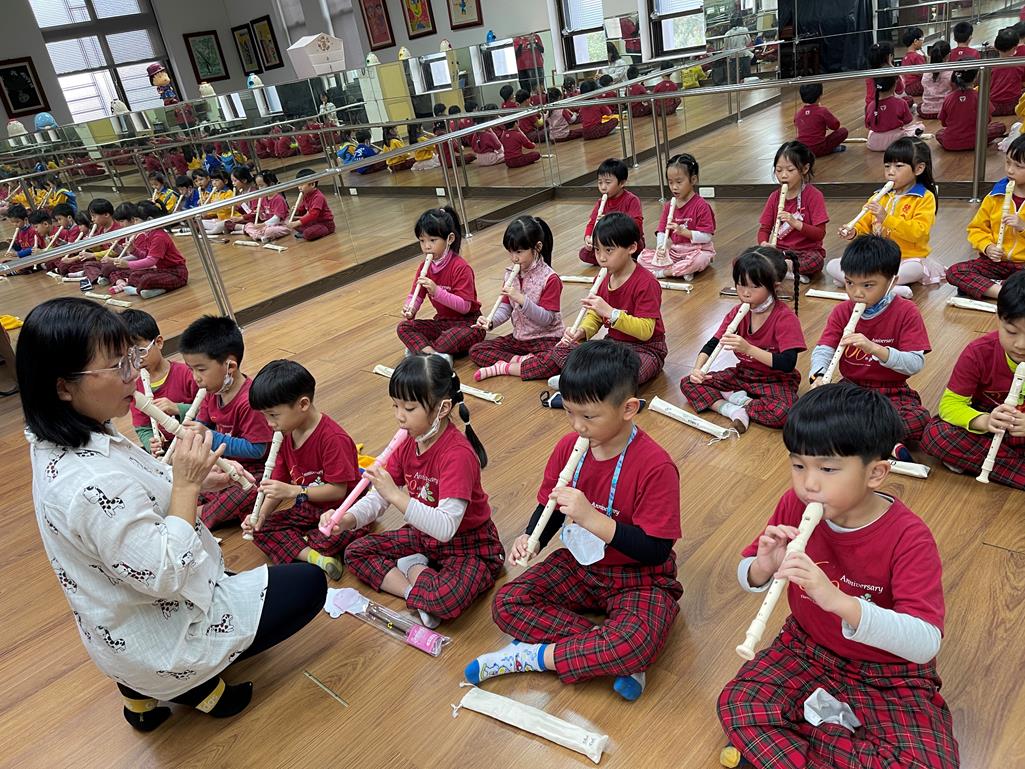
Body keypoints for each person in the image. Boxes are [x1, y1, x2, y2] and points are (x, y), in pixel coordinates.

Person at [21, 297, 326, 731]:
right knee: (310, 584)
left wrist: (197, 482)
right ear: (63, 387)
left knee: (244, 570)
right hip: (160, 632)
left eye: (132, 358)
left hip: (118, 626)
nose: (134, 374)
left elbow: (133, 490)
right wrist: (184, 485)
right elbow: (164, 573)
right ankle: (191, 686)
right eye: (118, 365)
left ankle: (136, 692)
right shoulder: (86, 483)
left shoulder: (65, 433)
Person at [717, 383, 959, 769]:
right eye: (798, 465)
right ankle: (841, 737)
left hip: (887, 670)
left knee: (928, 763)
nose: (809, 483)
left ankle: (811, 730)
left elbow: (924, 643)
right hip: (806, 646)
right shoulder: (795, 504)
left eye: (828, 469)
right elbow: (749, 572)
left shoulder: (909, 537)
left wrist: (839, 601)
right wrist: (764, 566)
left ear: (876, 473)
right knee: (738, 703)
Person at [465, 340, 682, 702]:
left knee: (635, 638)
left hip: (641, 578)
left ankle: (535, 656)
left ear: (628, 409)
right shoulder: (569, 447)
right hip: (582, 566)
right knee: (508, 602)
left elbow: (656, 551)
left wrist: (591, 518)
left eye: (589, 417)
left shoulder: (656, 466)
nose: (578, 426)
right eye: (569, 412)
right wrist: (532, 536)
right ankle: (611, 653)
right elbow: (551, 507)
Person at [331, 354, 504, 628]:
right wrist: (347, 519)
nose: (399, 417)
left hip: (468, 545)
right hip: (424, 535)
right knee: (355, 551)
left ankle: (413, 568)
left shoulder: (457, 455)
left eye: (409, 408)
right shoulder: (408, 442)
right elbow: (378, 498)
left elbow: (445, 528)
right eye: (395, 405)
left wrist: (395, 494)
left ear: (443, 408)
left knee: (445, 600)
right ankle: (415, 590)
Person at [245, 360, 364, 580]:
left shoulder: (333, 439)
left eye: (273, 415)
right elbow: (277, 485)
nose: (269, 423)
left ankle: (305, 546)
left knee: (328, 537)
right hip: (308, 507)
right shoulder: (284, 433)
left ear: (303, 404)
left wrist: (295, 491)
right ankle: (317, 558)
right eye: (264, 416)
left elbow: (338, 491)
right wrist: (260, 515)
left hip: (341, 511)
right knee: (261, 529)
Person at [810, 236, 931, 451]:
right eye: (850, 283)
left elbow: (914, 364)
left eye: (868, 285)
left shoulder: (907, 312)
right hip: (851, 388)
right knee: (813, 409)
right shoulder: (842, 311)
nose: (857, 293)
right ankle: (881, 440)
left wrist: (874, 348)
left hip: (892, 391)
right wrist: (818, 376)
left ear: (892, 282)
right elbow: (824, 349)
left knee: (918, 419)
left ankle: (852, 436)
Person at [541, 213, 666, 398]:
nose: (601, 257)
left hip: (646, 349)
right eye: (597, 250)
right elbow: (595, 315)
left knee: (630, 372)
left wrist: (611, 313)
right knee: (561, 349)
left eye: (609, 250)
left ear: (631, 248)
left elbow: (646, 331)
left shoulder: (646, 283)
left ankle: (579, 381)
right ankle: (593, 383)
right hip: (613, 346)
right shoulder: (602, 279)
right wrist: (582, 332)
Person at [681, 246, 803, 432]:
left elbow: (787, 363)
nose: (746, 293)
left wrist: (748, 349)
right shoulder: (736, 313)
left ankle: (737, 399)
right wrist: (698, 370)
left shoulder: (785, 318)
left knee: (784, 412)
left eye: (755, 287)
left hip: (775, 379)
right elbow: (712, 344)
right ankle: (733, 409)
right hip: (744, 374)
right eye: (741, 284)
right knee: (689, 382)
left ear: (775, 286)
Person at [921, 271, 1025, 488]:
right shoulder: (979, 352)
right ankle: (1013, 469)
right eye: (1011, 331)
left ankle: (989, 464)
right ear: (998, 318)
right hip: (990, 423)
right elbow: (950, 406)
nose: (1021, 345)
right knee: (937, 435)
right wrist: (985, 421)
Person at [180, 315, 273, 529]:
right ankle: (194, 502)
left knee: (251, 490)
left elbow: (257, 449)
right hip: (225, 462)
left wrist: (208, 436)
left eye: (201, 369)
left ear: (230, 366)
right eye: (191, 369)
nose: (195, 377)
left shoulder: (250, 401)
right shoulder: (212, 391)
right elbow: (204, 423)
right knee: (191, 477)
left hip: (255, 467)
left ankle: (202, 514)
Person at [834, 137, 941, 297]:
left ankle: (857, 282)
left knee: (915, 270)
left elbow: (919, 232)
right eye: (887, 166)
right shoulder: (878, 196)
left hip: (907, 258)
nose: (891, 171)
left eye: (898, 166)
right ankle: (887, 287)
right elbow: (864, 225)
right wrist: (853, 232)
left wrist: (886, 218)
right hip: (877, 258)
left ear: (918, 169)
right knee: (833, 265)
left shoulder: (924, 198)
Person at [469, 216, 563, 382]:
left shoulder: (550, 278)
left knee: (556, 360)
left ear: (537, 247)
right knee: (476, 350)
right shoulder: (510, 274)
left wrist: (521, 299)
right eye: (510, 252)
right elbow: (506, 308)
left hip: (546, 338)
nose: (514, 258)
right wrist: (491, 322)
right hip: (520, 339)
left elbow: (547, 319)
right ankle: (524, 362)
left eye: (519, 252)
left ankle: (504, 367)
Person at [396, 206, 484, 361]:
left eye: (432, 240)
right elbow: (416, 296)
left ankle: (424, 350)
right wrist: (411, 308)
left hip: (468, 323)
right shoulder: (424, 267)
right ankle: (434, 354)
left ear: (449, 239)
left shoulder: (461, 267)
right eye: (422, 241)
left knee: (453, 337)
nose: (426, 246)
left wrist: (437, 291)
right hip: (442, 322)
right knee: (404, 327)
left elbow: (464, 306)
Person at [948, 135, 1025, 299]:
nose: (1010, 170)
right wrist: (988, 247)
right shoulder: (995, 196)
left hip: (1023, 267)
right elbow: (976, 229)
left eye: (1019, 166)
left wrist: (1023, 227)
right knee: (955, 271)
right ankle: (1006, 293)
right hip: (995, 263)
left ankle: (993, 288)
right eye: (1008, 162)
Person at [121, 308, 200, 454]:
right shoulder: (134, 388)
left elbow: (210, 412)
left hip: (198, 442)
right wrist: (151, 443)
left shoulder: (187, 374)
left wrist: (178, 408)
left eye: (141, 351)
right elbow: (143, 428)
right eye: (129, 355)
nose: (137, 360)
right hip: (170, 449)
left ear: (158, 342)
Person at [756, 141, 829, 281]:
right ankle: (786, 269)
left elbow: (820, 234)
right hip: (779, 252)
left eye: (790, 170)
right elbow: (764, 229)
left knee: (816, 261)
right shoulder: (774, 197)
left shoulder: (814, 195)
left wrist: (795, 223)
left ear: (805, 168)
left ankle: (781, 269)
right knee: (743, 260)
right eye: (778, 170)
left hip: (805, 252)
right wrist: (764, 244)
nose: (783, 175)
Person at [637, 153, 715, 280]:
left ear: (693, 179)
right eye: (670, 182)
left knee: (699, 260)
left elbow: (707, 237)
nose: (674, 187)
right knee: (642, 258)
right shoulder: (669, 206)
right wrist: (661, 248)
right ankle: (681, 269)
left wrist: (684, 232)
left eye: (679, 182)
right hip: (675, 252)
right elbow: (662, 231)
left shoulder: (702, 206)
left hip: (697, 250)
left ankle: (664, 273)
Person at [579, 158, 644, 264]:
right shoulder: (600, 203)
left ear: (622, 183)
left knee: (638, 246)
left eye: (608, 182)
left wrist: (609, 221)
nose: (603, 187)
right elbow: (592, 223)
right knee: (584, 253)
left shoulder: (632, 200)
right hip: (607, 243)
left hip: (625, 241)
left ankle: (614, 259)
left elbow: (637, 226)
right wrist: (588, 237)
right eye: (600, 183)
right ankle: (614, 259)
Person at [936, 69, 1006, 151]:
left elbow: (944, 123)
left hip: (951, 143)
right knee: (1000, 126)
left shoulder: (948, 98)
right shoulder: (980, 96)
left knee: (939, 133)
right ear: (975, 78)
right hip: (976, 141)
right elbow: (987, 120)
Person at [866, 76, 924, 152]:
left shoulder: (870, 105)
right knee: (920, 126)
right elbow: (908, 121)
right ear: (894, 86)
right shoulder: (901, 102)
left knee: (871, 132)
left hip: (874, 144)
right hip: (897, 142)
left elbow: (868, 125)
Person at [794, 83, 848, 157]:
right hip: (819, 148)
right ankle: (830, 149)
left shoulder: (798, 113)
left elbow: (799, 125)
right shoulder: (822, 111)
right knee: (843, 131)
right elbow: (836, 126)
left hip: (803, 151)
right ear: (820, 96)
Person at [286, 168, 335, 242]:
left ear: (312, 184)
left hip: (325, 224)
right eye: (298, 184)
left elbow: (313, 214)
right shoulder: (306, 195)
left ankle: (308, 232)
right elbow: (303, 209)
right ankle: (309, 231)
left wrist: (297, 223)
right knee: (291, 220)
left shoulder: (318, 197)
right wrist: (297, 210)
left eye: (302, 184)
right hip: (313, 222)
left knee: (307, 233)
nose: (299, 187)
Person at [243, 169, 291, 242]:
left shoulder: (278, 198)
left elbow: (277, 219)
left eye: (261, 185)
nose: (260, 189)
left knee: (269, 231)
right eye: (258, 186)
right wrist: (260, 213)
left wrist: (262, 225)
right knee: (248, 225)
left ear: (271, 184)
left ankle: (260, 235)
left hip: (281, 224)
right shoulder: (263, 198)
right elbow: (264, 217)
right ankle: (261, 236)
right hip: (267, 225)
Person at [991, 27, 1025, 116]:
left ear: (995, 47)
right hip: (1013, 105)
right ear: (1015, 47)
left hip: (993, 107)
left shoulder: (990, 66)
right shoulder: (1019, 64)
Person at [919, 41, 953, 119]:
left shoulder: (926, 72)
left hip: (926, 112)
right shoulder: (951, 72)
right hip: (945, 111)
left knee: (919, 106)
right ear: (948, 55)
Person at [723, 15, 754, 82]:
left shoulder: (727, 33)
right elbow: (748, 42)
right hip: (743, 55)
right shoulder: (744, 30)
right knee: (746, 76)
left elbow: (726, 47)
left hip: (733, 57)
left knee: (734, 77)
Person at [900, 27, 926, 97]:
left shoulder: (905, 57)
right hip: (917, 87)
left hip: (907, 88)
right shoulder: (917, 57)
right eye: (922, 39)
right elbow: (924, 74)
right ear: (915, 41)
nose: (922, 42)